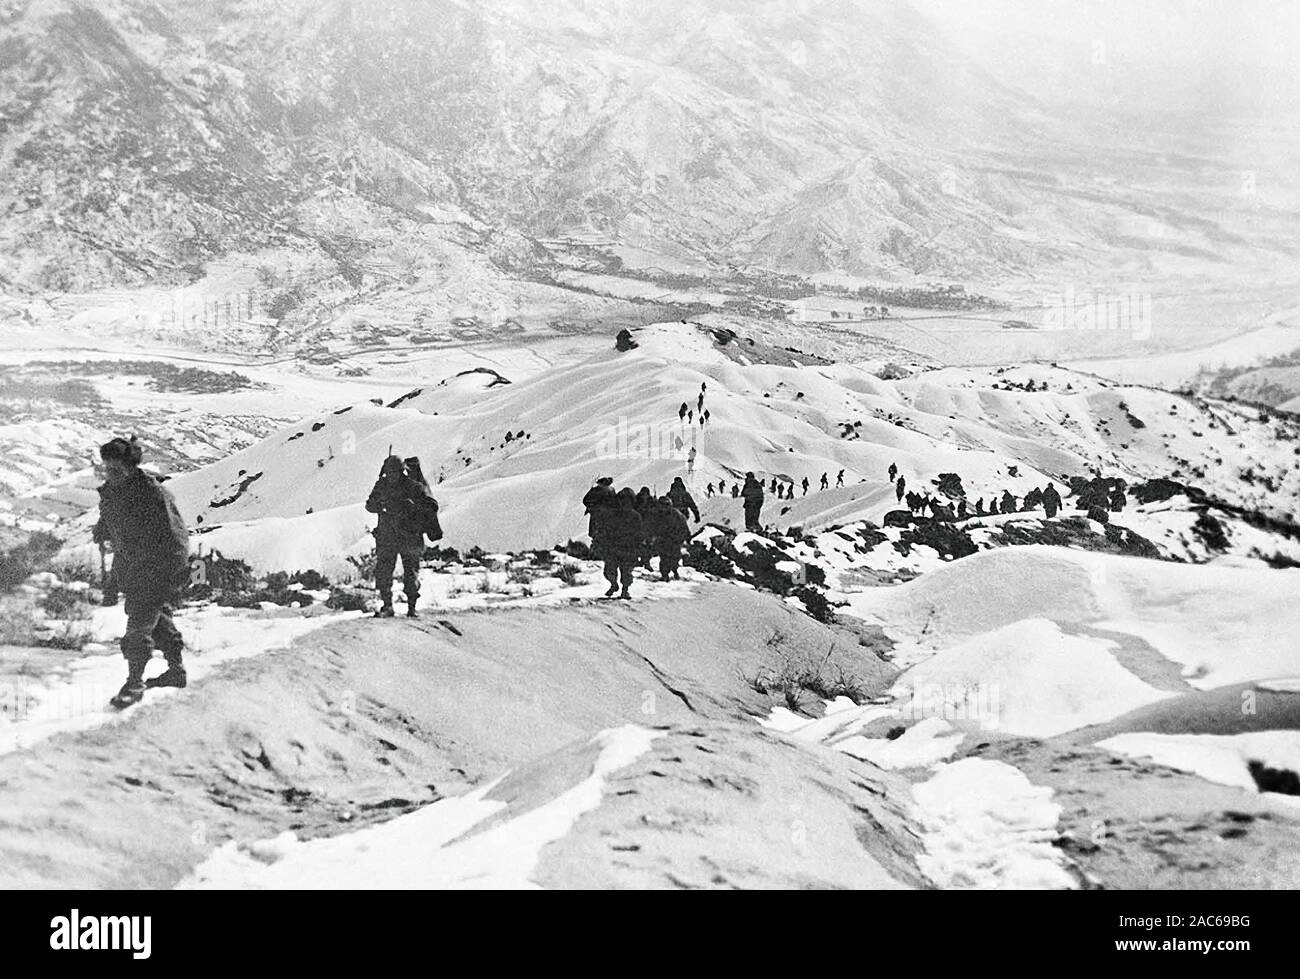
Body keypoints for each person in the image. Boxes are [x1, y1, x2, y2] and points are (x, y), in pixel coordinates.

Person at [94, 437, 190, 709]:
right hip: (133, 568)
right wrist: (102, 530)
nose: (111, 476)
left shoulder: (153, 494)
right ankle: (176, 671)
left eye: (117, 471)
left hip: (159, 568)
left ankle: (134, 683)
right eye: (107, 469)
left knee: (138, 623)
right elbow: (111, 519)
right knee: (158, 619)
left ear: (131, 467)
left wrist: (169, 575)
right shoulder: (113, 492)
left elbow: (176, 538)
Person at [366, 456, 431, 618]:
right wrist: (381, 505)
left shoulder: (413, 487)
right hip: (387, 537)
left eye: (394, 472)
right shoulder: (381, 486)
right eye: (389, 472)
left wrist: (409, 507)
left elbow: (425, 507)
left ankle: (412, 607)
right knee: (384, 571)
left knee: (411, 573)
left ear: (401, 471)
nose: (391, 475)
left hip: (409, 537)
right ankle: (388, 606)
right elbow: (369, 505)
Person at [601, 489, 643, 599]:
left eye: (627, 501)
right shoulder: (612, 515)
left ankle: (625, 590)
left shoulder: (635, 516)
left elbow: (639, 534)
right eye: (622, 500)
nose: (624, 503)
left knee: (626, 572)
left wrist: (638, 548)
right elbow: (606, 530)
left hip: (629, 548)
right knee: (609, 571)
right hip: (613, 547)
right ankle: (614, 585)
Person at [646, 496, 690, 581]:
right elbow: (651, 526)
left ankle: (674, 570)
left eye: (665, 505)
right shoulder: (656, 515)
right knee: (664, 558)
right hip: (662, 540)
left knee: (674, 557)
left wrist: (687, 536)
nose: (663, 508)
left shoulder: (676, 514)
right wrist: (650, 537)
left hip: (674, 540)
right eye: (662, 505)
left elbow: (683, 526)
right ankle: (665, 574)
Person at [582, 476, 617, 555]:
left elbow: (585, 500)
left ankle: (595, 552)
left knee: (596, 533)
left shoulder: (595, 490)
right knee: (604, 533)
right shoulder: (611, 490)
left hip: (597, 514)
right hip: (608, 515)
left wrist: (591, 506)